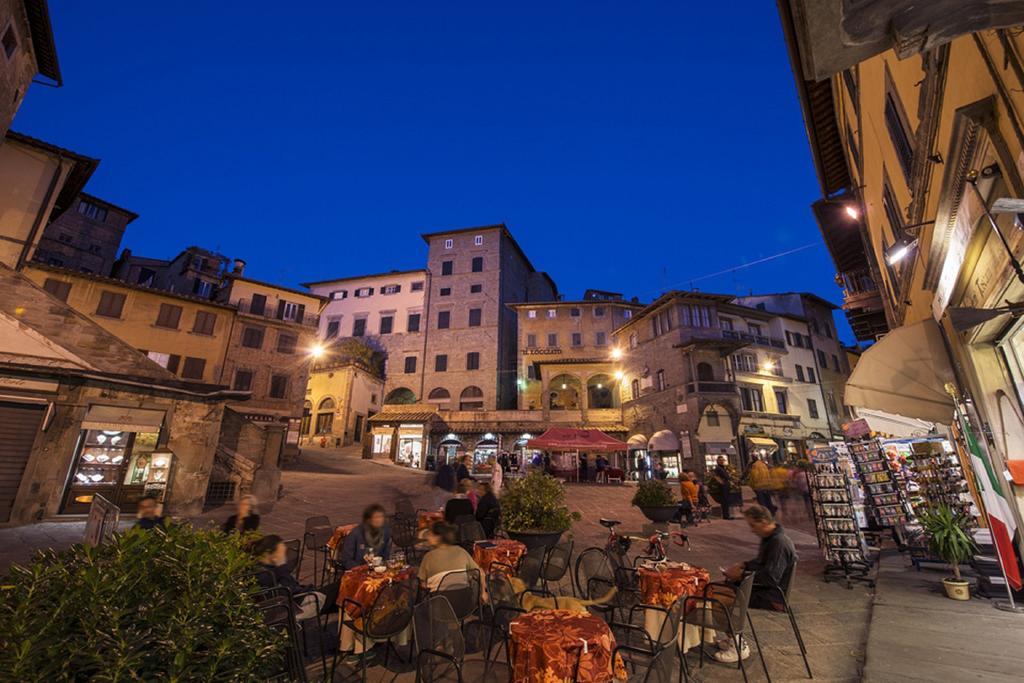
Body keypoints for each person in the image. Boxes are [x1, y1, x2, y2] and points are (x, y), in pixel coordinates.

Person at [712, 505, 797, 663]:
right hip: (765, 589)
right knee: (718, 589)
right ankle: (732, 637)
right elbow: (761, 565)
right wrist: (744, 565)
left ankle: (737, 644)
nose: (751, 530)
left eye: (753, 525)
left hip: (772, 596)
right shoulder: (771, 538)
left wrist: (741, 575)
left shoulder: (778, 543)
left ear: (764, 521)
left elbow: (771, 577)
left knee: (718, 599)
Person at [253, 534, 337, 619]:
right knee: (340, 589)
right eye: (282, 553)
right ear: (273, 555)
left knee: (342, 599)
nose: (285, 557)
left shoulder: (267, 569)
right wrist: (281, 567)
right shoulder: (269, 575)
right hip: (300, 604)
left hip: (301, 597)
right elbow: (288, 592)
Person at [417, 520, 482, 590]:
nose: (428, 537)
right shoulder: (461, 551)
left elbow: (423, 584)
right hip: (464, 598)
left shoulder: (428, 557)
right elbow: (479, 572)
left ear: (437, 537)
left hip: (439, 599)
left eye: (430, 534)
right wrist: (483, 593)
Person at [339, 503, 392, 570]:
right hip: (358, 570)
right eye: (376, 517)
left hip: (379, 569)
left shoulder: (385, 532)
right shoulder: (355, 534)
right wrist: (361, 568)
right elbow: (346, 560)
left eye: (381, 517)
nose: (379, 520)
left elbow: (386, 556)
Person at [713, 456, 733, 520]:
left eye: (722, 460)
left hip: (725, 486)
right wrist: (722, 482)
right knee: (725, 501)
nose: (722, 461)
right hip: (723, 487)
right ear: (717, 461)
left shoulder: (722, 468)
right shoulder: (718, 468)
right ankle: (726, 515)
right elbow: (718, 477)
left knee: (726, 501)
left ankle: (726, 515)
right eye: (720, 460)